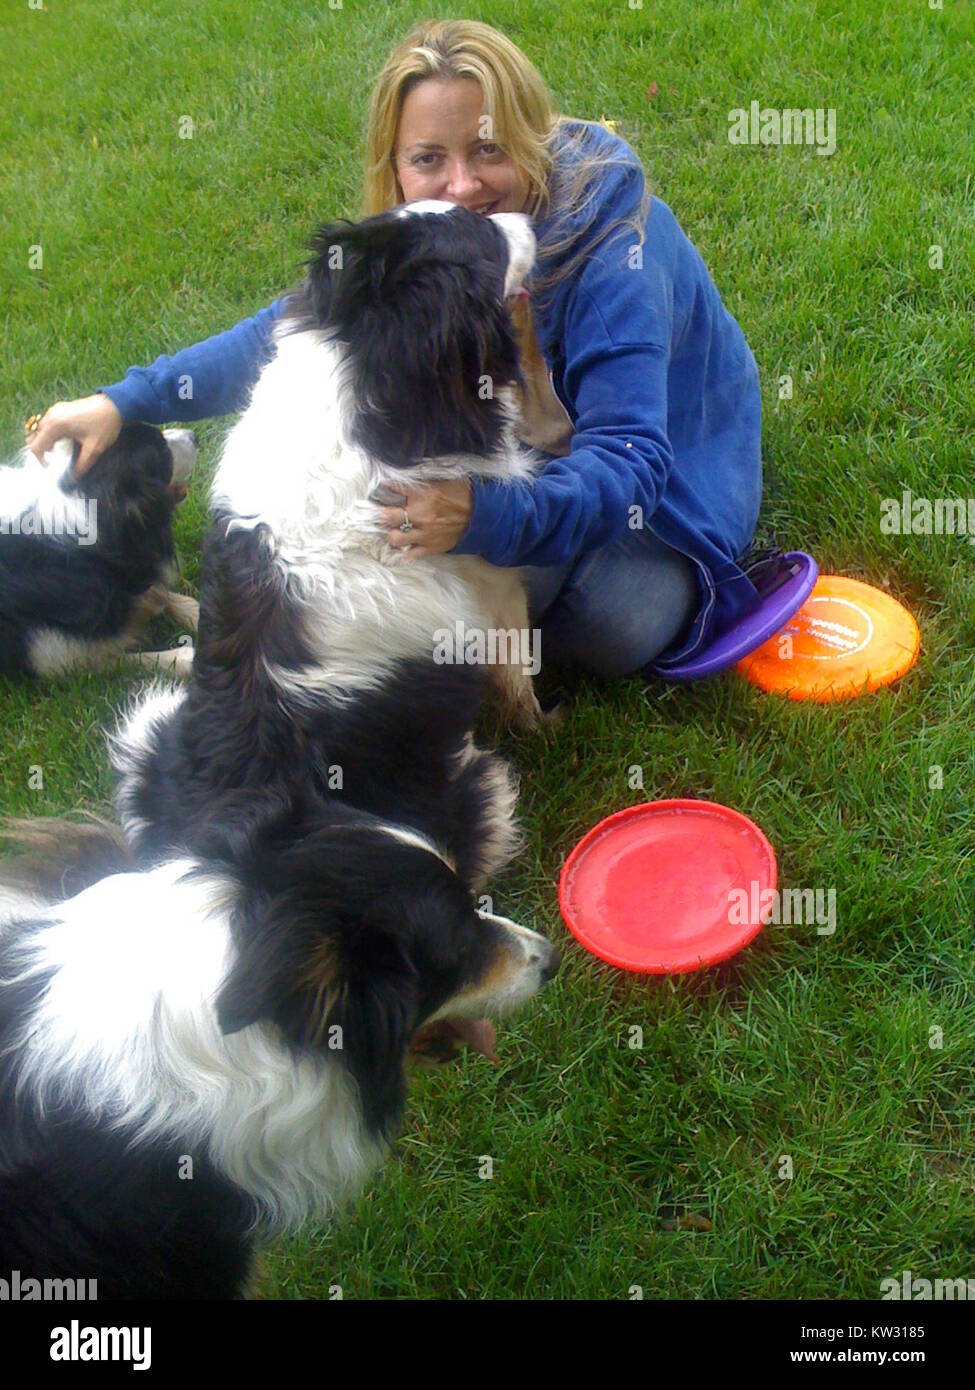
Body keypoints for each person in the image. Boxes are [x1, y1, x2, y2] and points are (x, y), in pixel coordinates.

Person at [26, 19, 765, 679]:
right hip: (530, 459)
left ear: (530, 137)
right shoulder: (422, 244)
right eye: (428, 158)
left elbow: (632, 461)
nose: (462, 184)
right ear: (395, 168)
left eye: (488, 148)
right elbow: (280, 336)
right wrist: (124, 402)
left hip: (663, 493)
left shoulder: (617, 250)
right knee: (432, 572)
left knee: (614, 620)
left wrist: (482, 519)